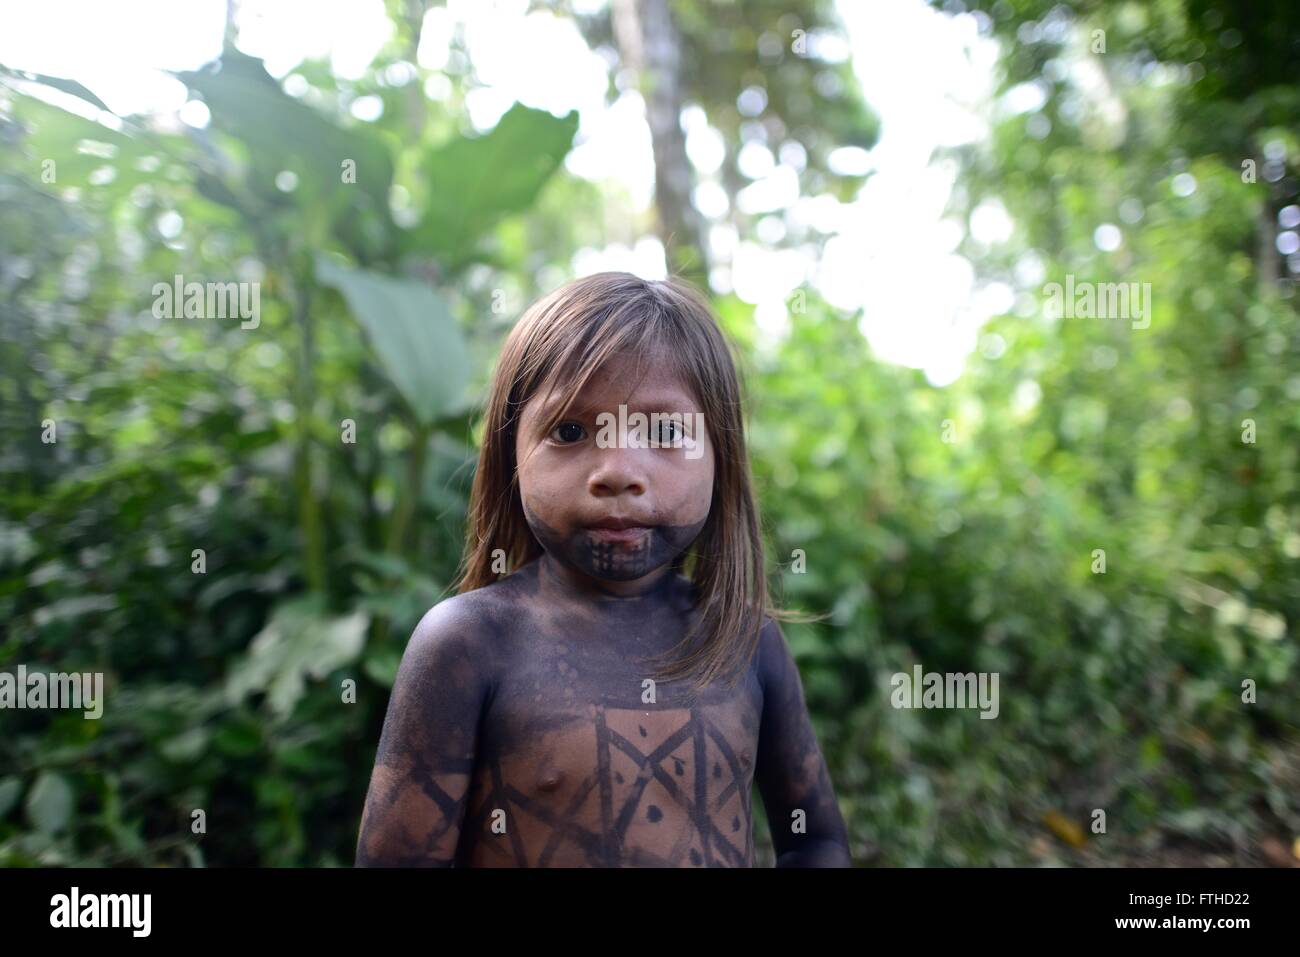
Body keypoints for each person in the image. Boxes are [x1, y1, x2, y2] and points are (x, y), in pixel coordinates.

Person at [355, 271, 851, 867]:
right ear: (510, 452)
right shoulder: (467, 643)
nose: (617, 469)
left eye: (666, 432)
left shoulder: (745, 641)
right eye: (569, 430)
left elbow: (815, 841)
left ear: (722, 454)